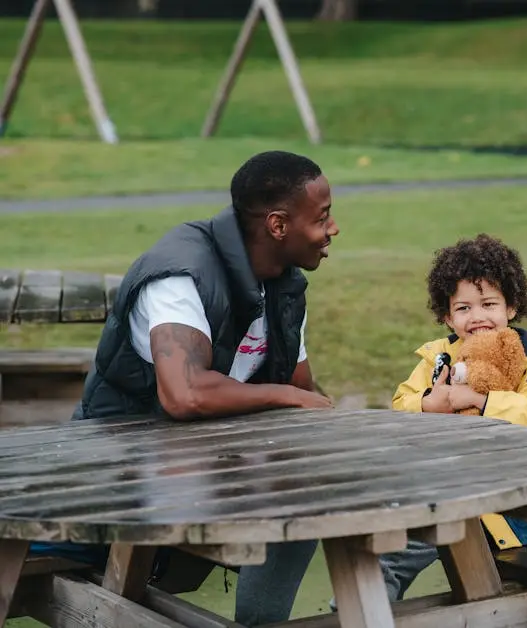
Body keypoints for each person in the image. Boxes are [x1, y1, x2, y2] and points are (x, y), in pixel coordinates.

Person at [31, 150, 339, 626]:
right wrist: (287, 397)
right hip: (111, 480)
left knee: (307, 488)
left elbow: (305, 393)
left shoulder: (283, 284)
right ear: (278, 225)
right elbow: (186, 393)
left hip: (201, 470)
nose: (333, 229)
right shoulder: (180, 272)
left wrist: (298, 402)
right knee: (29, 560)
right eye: (322, 218)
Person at [381, 232, 527, 601]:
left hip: (518, 513)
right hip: (450, 495)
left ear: (511, 308)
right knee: (390, 550)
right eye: (464, 308)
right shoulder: (438, 358)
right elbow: (399, 405)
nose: (478, 317)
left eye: (489, 304)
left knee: (498, 585)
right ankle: (364, 608)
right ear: (446, 316)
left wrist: (483, 401)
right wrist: (426, 404)